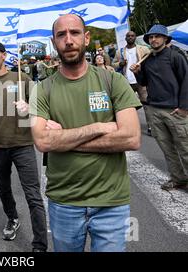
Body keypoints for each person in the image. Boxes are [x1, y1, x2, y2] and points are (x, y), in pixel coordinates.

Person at [30, 14, 141, 252]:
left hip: (111, 202)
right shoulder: (42, 89)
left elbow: (131, 137)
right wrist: (99, 128)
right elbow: (41, 141)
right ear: (53, 41)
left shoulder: (113, 80)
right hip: (64, 202)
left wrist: (63, 139)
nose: (68, 40)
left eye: (75, 33)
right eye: (61, 35)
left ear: (86, 38)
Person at [0, 41, 48, 252]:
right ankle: (12, 218)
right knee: (4, 188)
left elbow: (42, 104)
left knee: (33, 195)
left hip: (23, 145)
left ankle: (40, 245)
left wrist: (30, 107)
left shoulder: (21, 78)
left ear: (4, 56)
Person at [130, 24, 188, 192]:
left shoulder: (175, 56)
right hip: (155, 109)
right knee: (167, 149)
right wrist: (137, 72)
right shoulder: (147, 59)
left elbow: (186, 81)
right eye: (151, 37)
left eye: (157, 36)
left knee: (185, 148)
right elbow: (144, 82)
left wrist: (184, 108)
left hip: (175, 111)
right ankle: (178, 179)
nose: (153, 39)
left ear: (165, 39)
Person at [112, 31, 152, 135]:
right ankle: (129, 126)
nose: (130, 37)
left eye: (132, 36)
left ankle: (150, 126)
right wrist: (120, 63)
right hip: (127, 81)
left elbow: (150, 57)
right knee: (127, 105)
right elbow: (113, 64)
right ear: (125, 38)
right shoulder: (119, 52)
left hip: (140, 81)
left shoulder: (143, 49)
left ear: (135, 37)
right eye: (128, 36)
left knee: (146, 104)